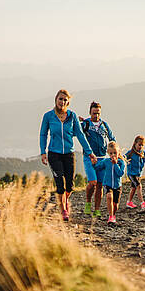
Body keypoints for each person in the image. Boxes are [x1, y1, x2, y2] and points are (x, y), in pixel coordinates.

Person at [40, 89, 97, 222]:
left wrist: (90, 152)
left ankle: (64, 200)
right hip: (54, 153)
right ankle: (63, 209)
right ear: (56, 99)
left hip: (69, 154)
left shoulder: (72, 116)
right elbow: (43, 134)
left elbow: (80, 135)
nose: (63, 102)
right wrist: (43, 152)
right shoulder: (48, 116)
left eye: (65, 100)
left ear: (68, 102)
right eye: (61, 99)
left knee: (70, 186)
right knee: (60, 182)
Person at [80, 101, 116, 217]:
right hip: (89, 156)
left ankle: (97, 210)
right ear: (90, 112)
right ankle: (88, 203)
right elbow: (75, 132)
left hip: (102, 157)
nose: (96, 116)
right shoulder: (85, 124)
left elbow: (112, 138)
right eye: (94, 113)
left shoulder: (104, 125)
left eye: (98, 113)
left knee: (100, 184)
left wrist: (115, 153)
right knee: (92, 182)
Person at [94, 141, 125, 224]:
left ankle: (113, 215)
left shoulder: (121, 163)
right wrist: (93, 164)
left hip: (117, 186)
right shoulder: (106, 161)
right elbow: (98, 167)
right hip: (108, 184)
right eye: (111, 153)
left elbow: (120, 174)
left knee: (115, 205)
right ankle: (111, 217)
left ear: (118, 152)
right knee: (109, 196)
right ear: (108, 153)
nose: (113, 155)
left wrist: (115, 164)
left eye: (115, 153)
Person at [125, 135, 145, 210]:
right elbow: (124, 157)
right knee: (139, 186)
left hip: (138, 174)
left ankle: (129, 202)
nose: (140, 146)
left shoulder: (143, 153)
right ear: (135, 143)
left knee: (134, 188)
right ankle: (142, 203)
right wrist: (126, 161)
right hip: (131, 173)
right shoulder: (130, 153)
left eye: (142, 145)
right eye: (139, 145)